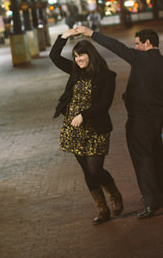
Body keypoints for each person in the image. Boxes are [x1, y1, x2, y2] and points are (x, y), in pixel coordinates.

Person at [73, 25, 163, 219]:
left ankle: (151, 201)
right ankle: (161, 195)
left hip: (140, 118)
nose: (134, 48)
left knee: (142, 159)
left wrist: (91, 33)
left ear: (147, 43)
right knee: (157, 156)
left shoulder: (142, 59)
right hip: (157, 115)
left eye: (137, 44)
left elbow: (116, 47)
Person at [49, 28, 123, 225]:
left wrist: (84, 114)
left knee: (95, 170)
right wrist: (63, 37)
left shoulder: (107, 76)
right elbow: (54, 56)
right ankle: (102, 208)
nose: (78, 59)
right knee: (86, 171)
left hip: (96, 127)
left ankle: (114, 194)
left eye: (81, 55)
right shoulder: (75, 71)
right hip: (74, 127)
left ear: (91, 55)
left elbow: (104, 104)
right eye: (75, 56)